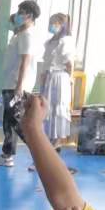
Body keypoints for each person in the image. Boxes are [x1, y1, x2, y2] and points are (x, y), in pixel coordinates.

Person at [0, 0, 44, 169]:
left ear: (29, 15)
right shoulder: (20, 34)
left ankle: (40, 155)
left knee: (18, 123)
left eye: (21, 12)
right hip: (9, 83)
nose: (17, 15)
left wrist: (19, 86)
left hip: (16, 85)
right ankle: (7, 155)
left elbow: (26, 61)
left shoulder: (27, 36)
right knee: (8, 122)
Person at [37, 13, 76, 151]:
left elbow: (69, 63)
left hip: (60, 78)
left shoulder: (66, 41)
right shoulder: (50, 42)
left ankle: (57, 141)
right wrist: (43, 76)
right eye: (50, 22)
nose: (51, 25)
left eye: (53, 23)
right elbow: (46, 61)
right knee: (47, 108)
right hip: (48, 77)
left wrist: (70, 78)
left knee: (58, 108)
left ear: (61, 24)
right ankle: (48, 139)